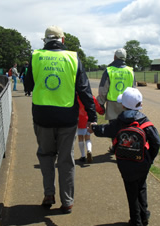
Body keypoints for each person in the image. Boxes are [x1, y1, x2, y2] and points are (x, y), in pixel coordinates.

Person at [24, 25, 97, 214]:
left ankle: (49, 194)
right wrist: (92, 115)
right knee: (66, 159)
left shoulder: (36, 57)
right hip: (67, 118)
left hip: (42, 117)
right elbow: (84, 89)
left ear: (45, 41)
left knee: (46, 156)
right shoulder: (72, 57)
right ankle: (67, 201)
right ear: (62, 40)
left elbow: (28, 85)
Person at [89, 87, 160, 226]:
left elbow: (105, 130)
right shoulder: (146, 123)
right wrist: (149, 159)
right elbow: (156, 143)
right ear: (140, 104)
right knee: (141, 187)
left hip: (125, 164)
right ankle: (144, 215)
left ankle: (136, 223)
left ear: (123, 105)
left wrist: (94, 128)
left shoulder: (119, 123)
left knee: (131, 192)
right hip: (142, 163)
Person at [96, 48, 136, 152]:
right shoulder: (130, 71)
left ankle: (115, 146)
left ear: (114, 57)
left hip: (113, 103)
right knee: (126, 125)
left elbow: (103, 89)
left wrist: (100, 102)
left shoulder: (109, 70)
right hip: (127, 103)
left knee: (114, 127)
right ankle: (125, 146)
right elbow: (134, 88)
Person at [77, 95, 104, 163]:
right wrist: (101, 111)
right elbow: (96, 106)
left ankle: (83, 156)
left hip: (79, 119)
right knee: (88, 138)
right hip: (88, 119)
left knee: (80, 138)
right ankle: (89, 150)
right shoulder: (90, 96)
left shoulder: (76, 97)